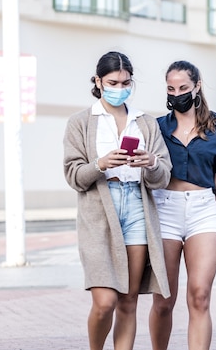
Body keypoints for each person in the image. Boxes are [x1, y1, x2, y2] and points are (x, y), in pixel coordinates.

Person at [63, 51, 171, 350]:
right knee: (104, 302)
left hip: (137, 206)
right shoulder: (81, 123)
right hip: (99, 211)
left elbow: (162, 176)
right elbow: (73, 176)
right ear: (98, 81)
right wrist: (101, 163)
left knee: (128, 300)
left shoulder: (145, 123)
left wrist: (149, 162)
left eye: (125, 82)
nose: (119, 87)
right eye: (112, 82)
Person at [149, 60, 216, 350]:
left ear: (197, 86)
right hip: (165, 208)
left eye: (183, 88)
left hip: (203, 210)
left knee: (199, 295)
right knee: (163, 300)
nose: (177, 94)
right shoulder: (156, 127)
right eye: (171, 89)